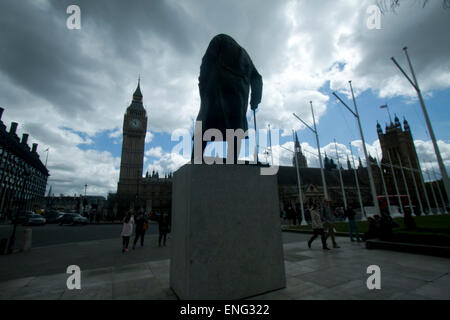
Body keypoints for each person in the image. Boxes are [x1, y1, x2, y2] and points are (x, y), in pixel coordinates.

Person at [192, 34, 263, 163]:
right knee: (235, 128)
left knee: (205, 121)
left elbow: (206, 64)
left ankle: (196, 156)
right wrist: (255, 100)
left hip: (215, 90)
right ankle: (233, 160)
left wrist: (203, 85)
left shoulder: (220, 39)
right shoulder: (245, 55)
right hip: (238, 98)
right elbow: (257, 78)